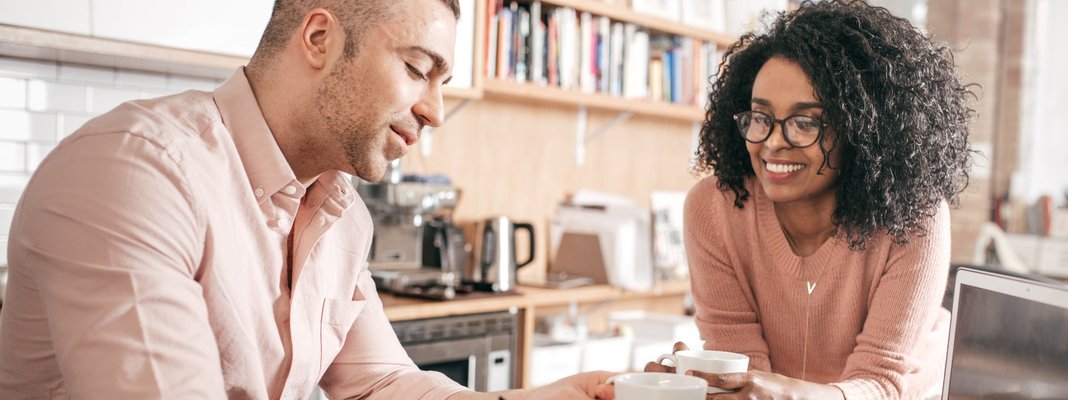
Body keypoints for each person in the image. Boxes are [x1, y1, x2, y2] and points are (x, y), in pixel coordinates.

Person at [0, 0, 612, 398]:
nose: (435, 110)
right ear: (319, 36)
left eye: (443, 83)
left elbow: (381, 385)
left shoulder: (339, 214)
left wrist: (567, 394)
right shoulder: (137, 170)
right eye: (417, 68)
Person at [644, 1, 975, 399]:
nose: (772, 143)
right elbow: (746, 373)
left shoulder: (913, 218)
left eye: (805, 123)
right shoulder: (714, 208)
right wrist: (711, 383)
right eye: (760, 117)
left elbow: (881, 382)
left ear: (862, 130)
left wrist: (787, 394)